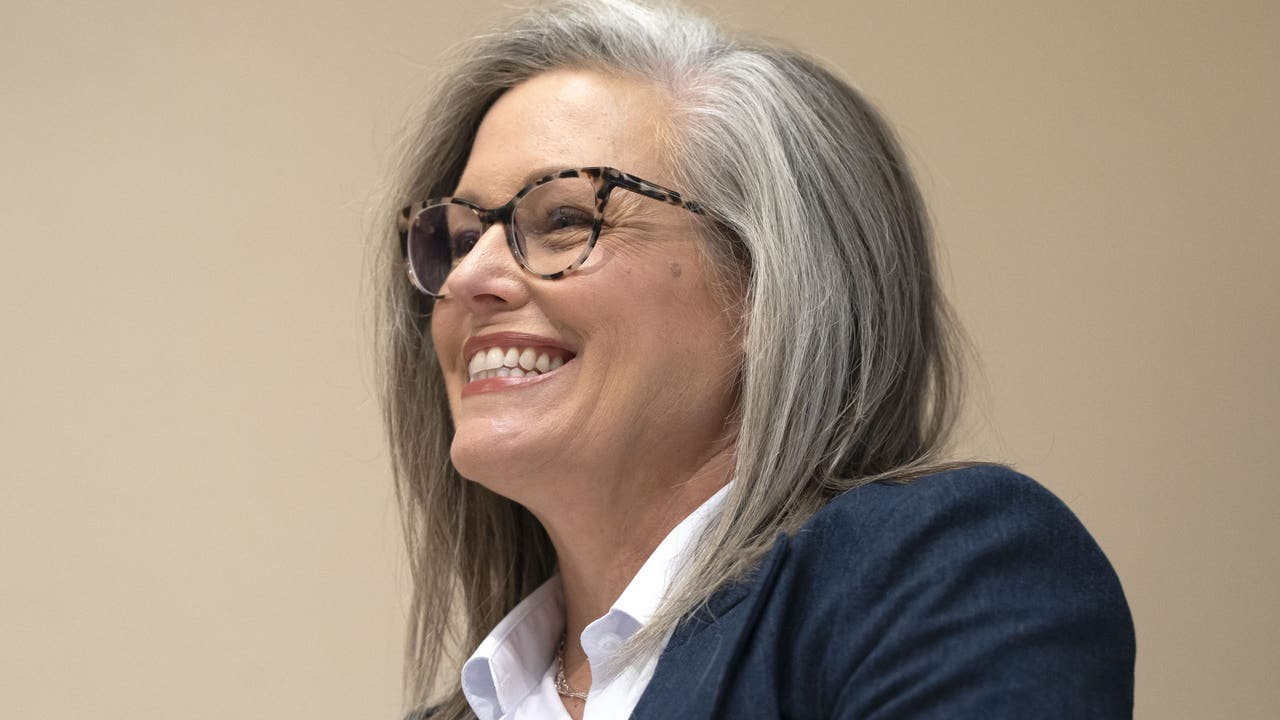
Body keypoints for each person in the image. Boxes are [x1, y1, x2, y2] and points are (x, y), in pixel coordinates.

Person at [377, 1, 1135, 718]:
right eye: (463, 237)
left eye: (566, 218)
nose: (468, 277)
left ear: (768, 289)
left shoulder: (941, 569)